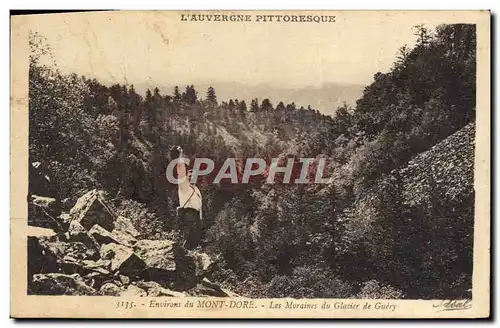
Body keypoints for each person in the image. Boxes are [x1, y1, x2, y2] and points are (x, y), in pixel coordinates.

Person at [168, 145, 203, 250]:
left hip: (196, 218)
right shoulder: (184, 185)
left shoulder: (196, 189)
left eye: (194, 175)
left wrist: (200, 220)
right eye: (190, 175)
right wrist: (180, 156)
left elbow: (199, 207)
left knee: (194, 242)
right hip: (188, 215)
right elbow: (181, 169)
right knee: (188, 240)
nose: (192, 177)